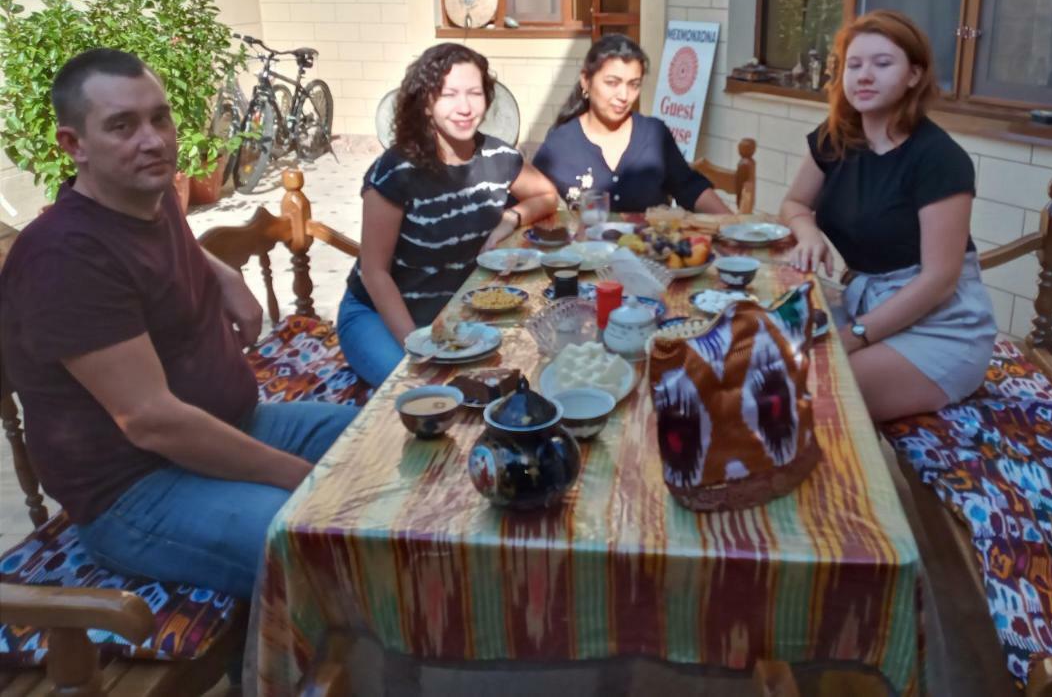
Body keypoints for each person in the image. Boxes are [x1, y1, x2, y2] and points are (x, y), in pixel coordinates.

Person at [0, 48, 356, 600]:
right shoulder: (66, 260)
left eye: (158, 117)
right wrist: (298, 478)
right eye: (122, 125)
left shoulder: (149, 196)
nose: (153, 140)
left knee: (382, 443)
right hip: (136, 490)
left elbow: (164, 244)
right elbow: (153, 423)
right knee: (320, 538)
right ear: (74, 145)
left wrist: (222, 276)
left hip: (236, 424)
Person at [779, 10, 996, 422]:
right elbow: (793, 204)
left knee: (814, 392)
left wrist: (855, 336)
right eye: (854, 65)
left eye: (882, 64)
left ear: (914, 75)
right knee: (767, 346)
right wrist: (807, 232)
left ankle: (853, 487)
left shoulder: (939, 158)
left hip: (942, 325)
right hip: (870, 303)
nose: (864, 76)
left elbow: (939, 281)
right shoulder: (835, 137)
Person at [338, 43, 558, 386]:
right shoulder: (396, 172)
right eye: (449, 94)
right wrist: (419, 347)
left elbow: (547, 195)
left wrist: (509, 218)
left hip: (455, 316)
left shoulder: (498, 156)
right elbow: (373, 272)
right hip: (378, 317)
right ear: (426, 103)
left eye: (475, 93)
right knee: (419, 391)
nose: (465, 107)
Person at [533, 34, 732, 214]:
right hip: (587, 252)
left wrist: (734, 226)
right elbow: (532, 197)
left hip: (650, 251)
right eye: (612, 83)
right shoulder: (560, 144)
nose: (624, 96)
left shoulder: (654, 135)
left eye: (633, 85)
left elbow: (690, 188)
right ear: (586, 80)